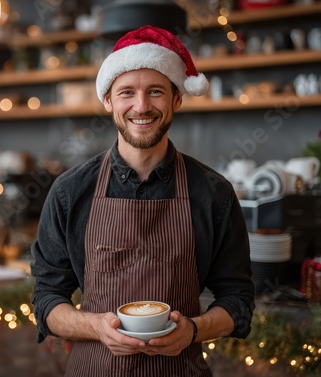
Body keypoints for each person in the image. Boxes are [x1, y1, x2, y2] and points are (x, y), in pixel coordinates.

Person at [30, 25, 255, 376]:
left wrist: (192, 331)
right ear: (107, 100)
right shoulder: (70, 192)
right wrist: (96, 328)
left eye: (155, 92)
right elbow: (46, 299)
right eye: (126, 93)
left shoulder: (213, 193)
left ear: (176, 99)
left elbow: (238, 300)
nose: (141, 106)